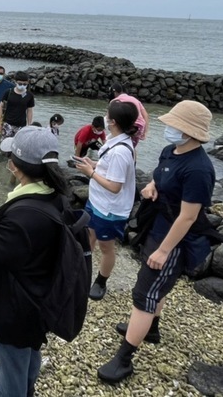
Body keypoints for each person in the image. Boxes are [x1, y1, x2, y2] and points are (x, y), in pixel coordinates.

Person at [98, 100, 215, 383]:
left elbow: (188, 217)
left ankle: (124, 359)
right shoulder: (170, 151)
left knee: (144, 294)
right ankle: (150, 328)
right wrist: (151, 186)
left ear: (189, 131)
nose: (168, 128)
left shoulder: (199, 169)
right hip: (157, 228)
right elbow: (159, 176)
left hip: (173, 240)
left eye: (174, 125)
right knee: (156, 288)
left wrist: (164, 251)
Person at [0, 126, 71, 397]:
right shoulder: (56, 197)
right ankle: (28, 388)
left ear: (15, 166)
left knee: (10, 369)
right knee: (27, 356)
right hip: (38, 298)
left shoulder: (25, 216)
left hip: (16, 310)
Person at [73, 101, 139, 300]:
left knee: (106, 247)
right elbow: (108, 167)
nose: (104, 116)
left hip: (109, 208)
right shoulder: (115, 139)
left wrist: (91, 173)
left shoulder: (121, 151)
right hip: (96, 200)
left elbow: (115, 186)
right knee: (89, 235)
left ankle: (101, 281)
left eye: (107, 114)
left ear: (113, 121)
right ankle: (82, 268)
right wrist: (94, 164)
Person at [108, 82, 150, 147]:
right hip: (139, 127)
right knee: (131, 148)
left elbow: (109, 118)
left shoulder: (114, 101)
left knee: (111, 144)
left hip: (127, 126)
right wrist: (145, 132)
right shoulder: (135, 99)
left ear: (115, 92)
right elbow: (146, 115)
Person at [0, 72, 35, 139]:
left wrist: (29, 125)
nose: (22, 85)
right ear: (15, 82)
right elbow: (1, 106)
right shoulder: (8, 92)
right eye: (20, 83)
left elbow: (29, 111)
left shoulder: (29, 95)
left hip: (21, 125)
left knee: (18, 147)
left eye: (25, 84)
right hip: (7, 124)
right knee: (5, 145)